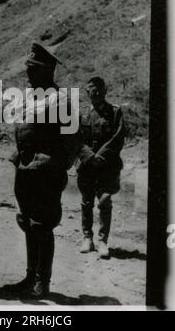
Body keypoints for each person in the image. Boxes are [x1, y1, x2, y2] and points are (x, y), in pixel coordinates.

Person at [5, 41, 81, 298]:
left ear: (48, 70)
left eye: (34, 68)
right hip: (25, 167)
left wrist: (58, 165)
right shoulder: (29, 95)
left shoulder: (60, 99)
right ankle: (30, 276)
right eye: (28, 66)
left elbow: (73, 139)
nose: (28, 72)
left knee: (42, 225)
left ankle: (42, 281)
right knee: (27, 222)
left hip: (46, 171)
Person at [76, 76, 127, 259]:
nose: (95, 93)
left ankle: (103, 240)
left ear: (105, 91)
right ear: (87, 92)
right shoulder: (81, 112)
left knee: (105, 201)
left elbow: (118, 137)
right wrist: (89, 156)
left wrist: (100, 157)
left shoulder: (115, 112)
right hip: (87, 165)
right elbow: (75, 137)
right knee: (87, 202)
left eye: (99, 90)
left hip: (108, 166)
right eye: (92, 90)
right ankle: (87, 238)